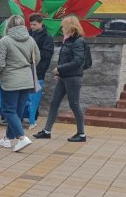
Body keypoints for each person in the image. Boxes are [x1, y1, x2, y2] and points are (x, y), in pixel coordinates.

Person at [35, 14, 88, 142]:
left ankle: (81, 134)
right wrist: (60, 73)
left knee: (74, 105)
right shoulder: (68, 40)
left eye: (64, 26)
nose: (62, 29)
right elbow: (66, 59)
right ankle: (47, 131)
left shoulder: (78, 41)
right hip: (64, 77)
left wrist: (60, 69)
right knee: (54, 103)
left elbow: (78, 61)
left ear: (70, 27)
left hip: (73, 78)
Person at [0, 15, 39, 153]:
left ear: (9, 25)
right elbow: (37, 58)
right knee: (17, 110)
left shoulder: (5, 40)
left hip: (10, 79)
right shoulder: (31, 40)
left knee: (8, 110)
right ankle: (7, 138)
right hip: (26, 79)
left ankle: (22, 137)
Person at [28, 13, 54, 127]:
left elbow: (47, 54)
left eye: (34, 24)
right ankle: (26, 115)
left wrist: (34, 53)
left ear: (41, 23)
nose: (32, 27)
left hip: (39, 69)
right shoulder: (29, 33)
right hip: (28, 67)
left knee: (35, 95)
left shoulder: (47, 36)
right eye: (31, 24)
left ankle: (33, 116)